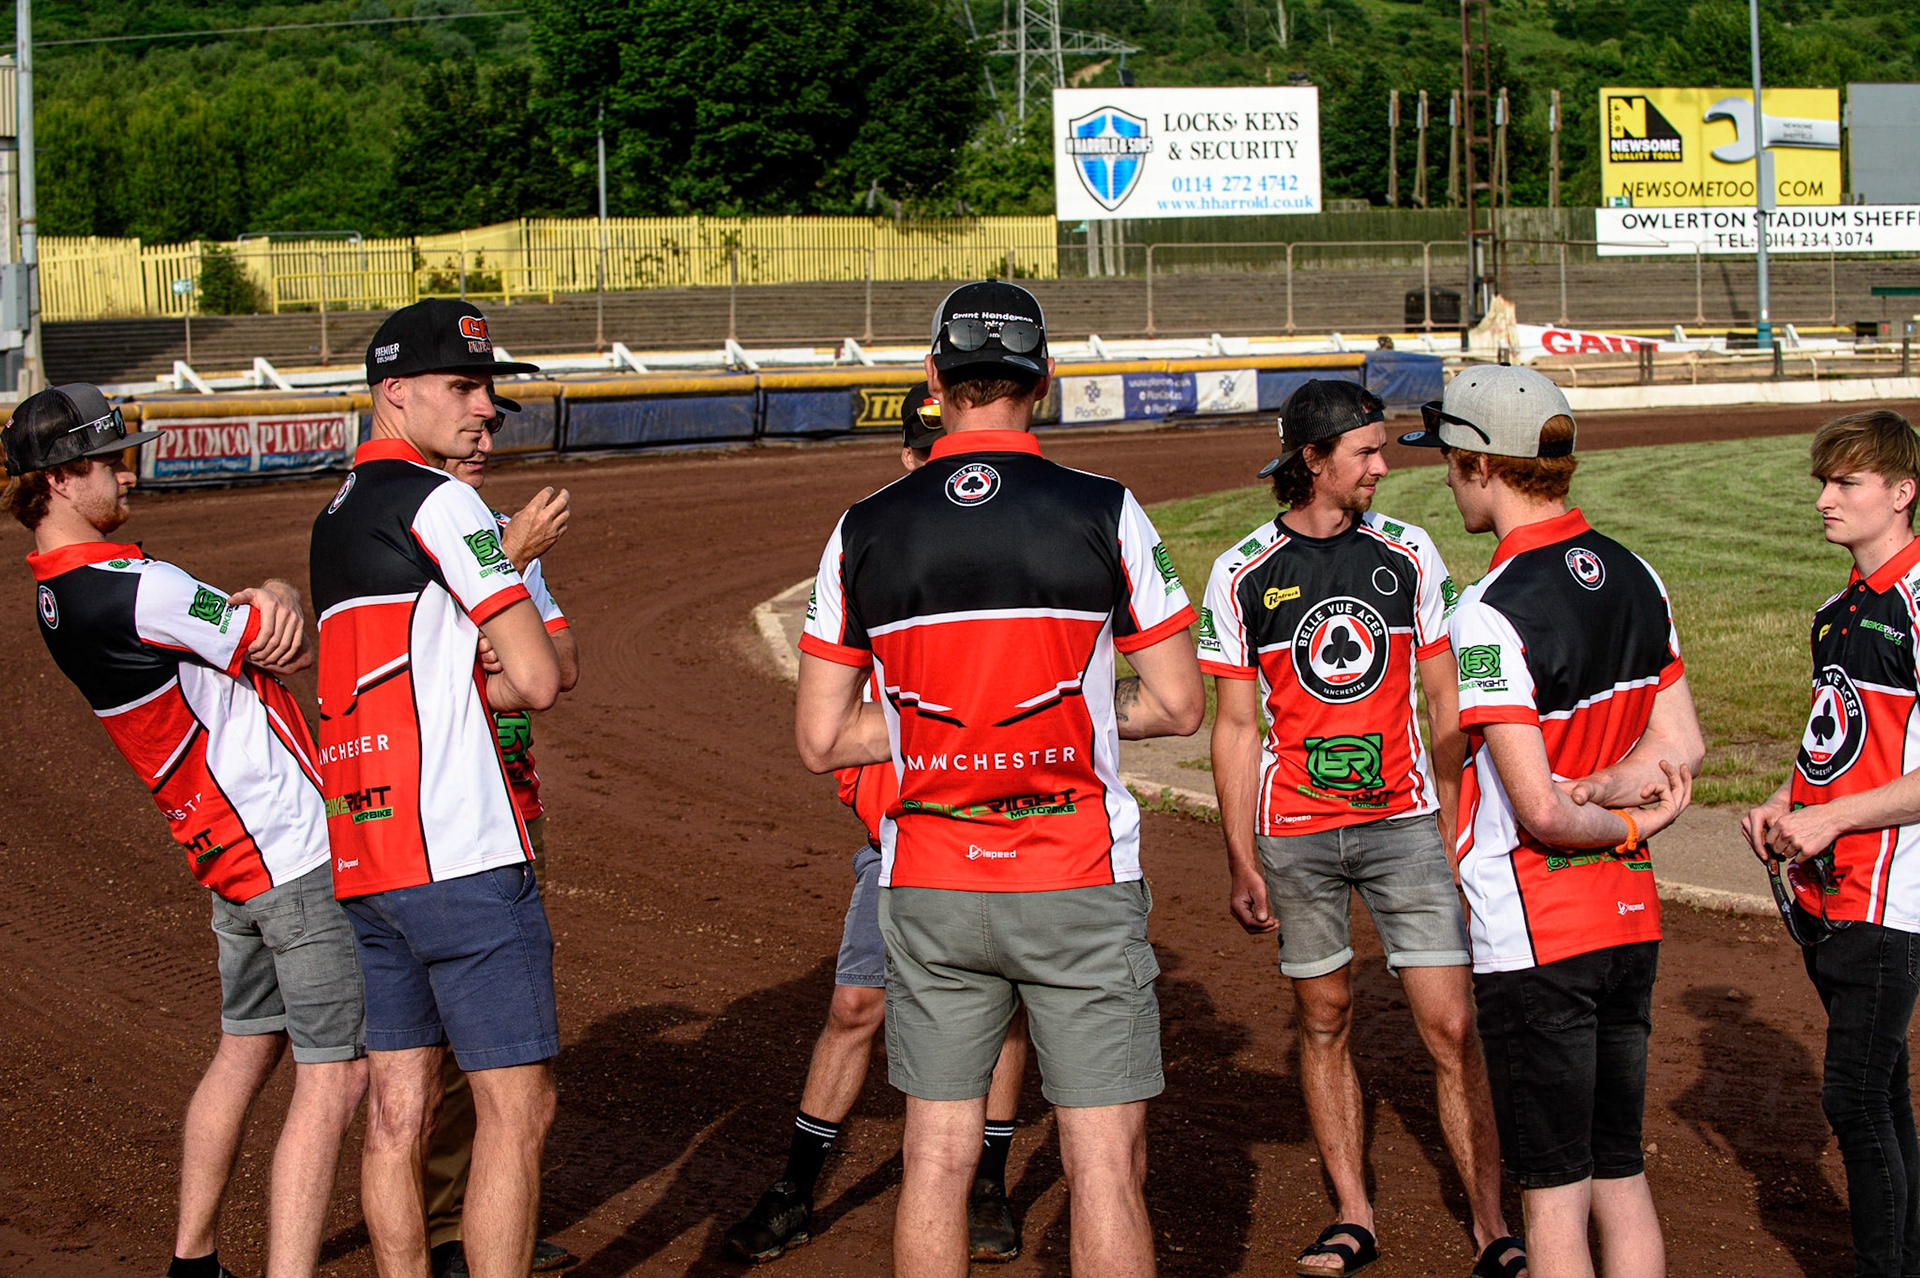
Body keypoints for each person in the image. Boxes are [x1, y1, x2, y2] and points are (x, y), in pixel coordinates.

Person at [795, 282, 1205, 1278]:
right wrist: (1065, 711)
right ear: (1045, 379)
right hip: (1076, 875)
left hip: (931, 877)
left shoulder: (863, 526)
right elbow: (1179, 704)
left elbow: (822, 738)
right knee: (1104, 1168)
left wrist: (946, 721)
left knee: (935, 1160)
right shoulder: (1105, 508)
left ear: (934, 380)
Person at [4, 384, 367, 1278]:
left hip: (229, 860)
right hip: (288, 852)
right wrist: (277, 587)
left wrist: (260, 605)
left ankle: (192, 1262)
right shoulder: (138, 589)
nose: (127, 473)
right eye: (109, 461)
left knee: (244, 1052)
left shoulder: (60, 593)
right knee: (338, 1074)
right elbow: (284, 642)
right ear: (60, 480)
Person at [1198, 379, 1522, 1278]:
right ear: (1313, 460)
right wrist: (1240, 857)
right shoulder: (1241, 571)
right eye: (1366, 452)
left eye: (1382, 450)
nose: (1383, 466)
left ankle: (1493, 1225)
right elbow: (1235, 727)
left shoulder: (1409, 553)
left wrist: (1455, 822)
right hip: (1294, 834)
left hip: (1405, 824)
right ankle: (1353, 1214)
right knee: (1325, 1016)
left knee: (1451, 1027)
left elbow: (1445, 698)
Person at [1401, 365, 1703, 1278]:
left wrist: (1614, 821)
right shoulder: (1637, 572)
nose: (1449, 480)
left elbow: (1537, 810)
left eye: (1451, 463)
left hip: (1537, 933)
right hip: (1630, 922)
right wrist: (1622, 793)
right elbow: (1681, 748)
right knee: (1620, 1172)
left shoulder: (1489, 610)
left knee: (1553, 1194)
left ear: (1482, 465)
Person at [725, 382, 1032, 1266]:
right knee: (856, 1003)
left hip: (1003, 825)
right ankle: (795, 1189)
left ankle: (988, 1183)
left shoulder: (1015, 541)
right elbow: (834, 702)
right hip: (900, 834)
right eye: (926, 452)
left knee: (1003, 1012)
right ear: (909, 457)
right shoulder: (873, 545)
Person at [309, 299, 562, 1278]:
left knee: (395, 1113)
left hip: (367, 857)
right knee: (518, 1112)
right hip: (460, 852)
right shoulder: (444, 503)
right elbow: (535, 678)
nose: (485, 407)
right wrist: (507, 602)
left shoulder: (334, 515)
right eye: (462, 386)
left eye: (486, 388)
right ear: (395, 393)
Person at [1742, 410, 1920, 1278]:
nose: (1824, 499)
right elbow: (1837, 739)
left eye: (1847, 482)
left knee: (1853, 1098)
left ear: (1902, 492)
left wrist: (1835, 819)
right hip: (1832, 886)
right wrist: (1787, 801)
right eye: (1823, 482)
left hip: (1893, 895)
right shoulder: (1839, 610)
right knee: (1883, 1094)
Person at [423, 391, 580, 1278]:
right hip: (439, 815)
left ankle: (472, 1225)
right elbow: (406, 669)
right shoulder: (411, 532)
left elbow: (560, 667)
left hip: (514, 809)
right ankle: (439, 1228)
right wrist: (502, 588)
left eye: (493, 429)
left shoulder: (489, 532)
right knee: (427, 1048)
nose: (485, 439)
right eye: (473, 426)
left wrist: (488, 636)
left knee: (496, 1046)